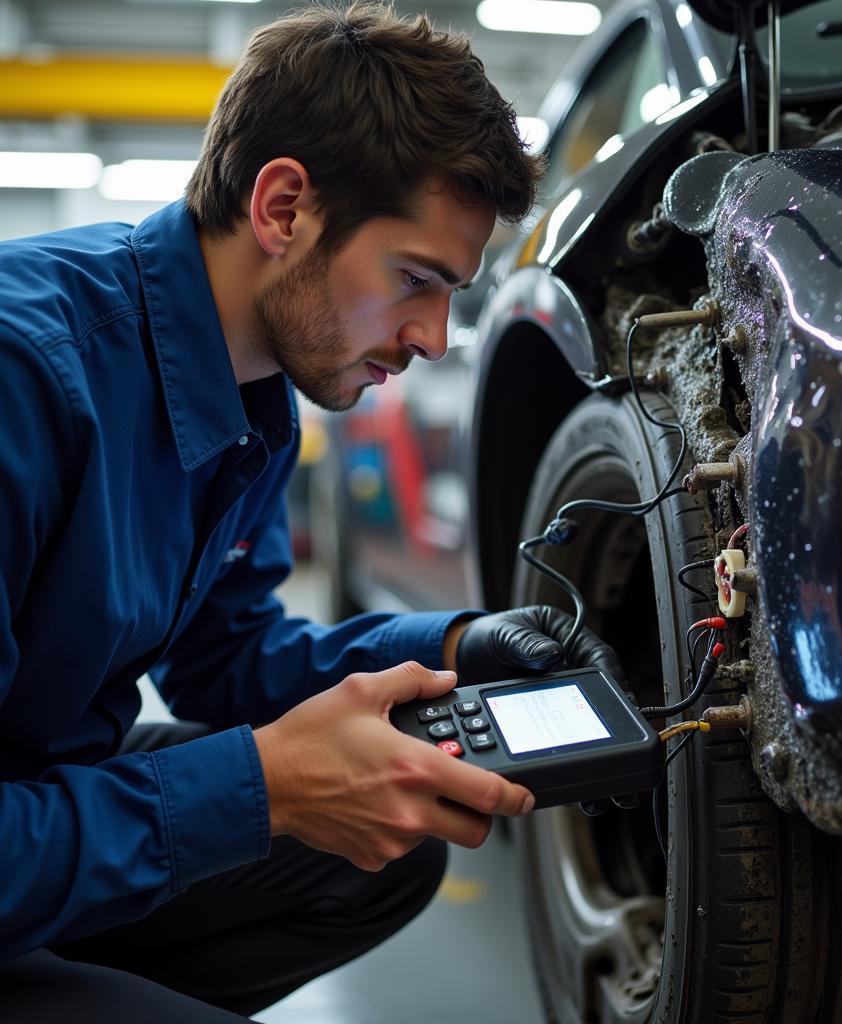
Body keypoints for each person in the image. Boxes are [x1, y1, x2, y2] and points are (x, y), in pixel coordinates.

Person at [0, 4, 625, 1020]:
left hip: (40, 798)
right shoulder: (26, 380)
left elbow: (226, 659)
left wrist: (465, 644)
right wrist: (259, 790)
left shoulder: (255, 405)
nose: (431, 336)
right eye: (414, 279)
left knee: (379, 851)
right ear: (284, 207)